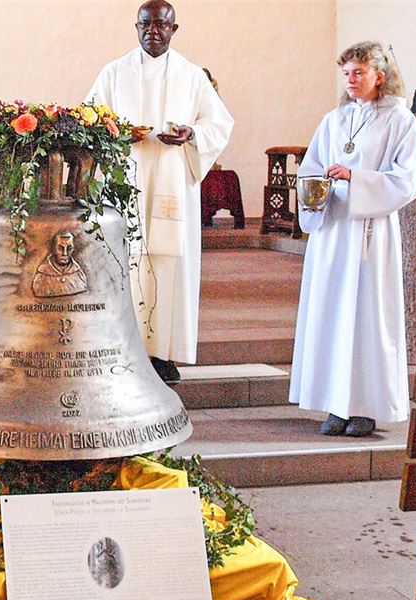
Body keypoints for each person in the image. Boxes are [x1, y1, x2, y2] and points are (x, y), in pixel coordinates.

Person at [86, 0, 233, 385]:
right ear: (135, 27)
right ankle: (124, 347)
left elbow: (218, 123)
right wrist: (117, 132)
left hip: (172, 181)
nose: (153, 31)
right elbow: (90, 118)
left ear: (174, 29)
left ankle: (165, 354)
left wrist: (192, 134)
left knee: (169, 268)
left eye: (161, 25)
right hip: (126, 179)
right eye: (146, 24)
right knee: (127, 262)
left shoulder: (191, 76)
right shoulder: (113, 73)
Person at [288, 41, 416, 437]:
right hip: (332, 231)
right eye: (346, 73)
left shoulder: (401, 121)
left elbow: (407, 181)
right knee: (331, 315)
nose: (350, 80)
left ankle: (364, 407)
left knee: (366, 318)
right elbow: (311, 167)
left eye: (358, 72)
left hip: (370, 235)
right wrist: (315, 190)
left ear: (379, 75)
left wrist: (356, 179)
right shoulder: (334, 119)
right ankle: (335, 404)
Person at [32, 231, 88, 297]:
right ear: (54, 249)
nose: (65, 253)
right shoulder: (42, 275)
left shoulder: (79, 275)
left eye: (69, 249)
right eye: (60, 248)